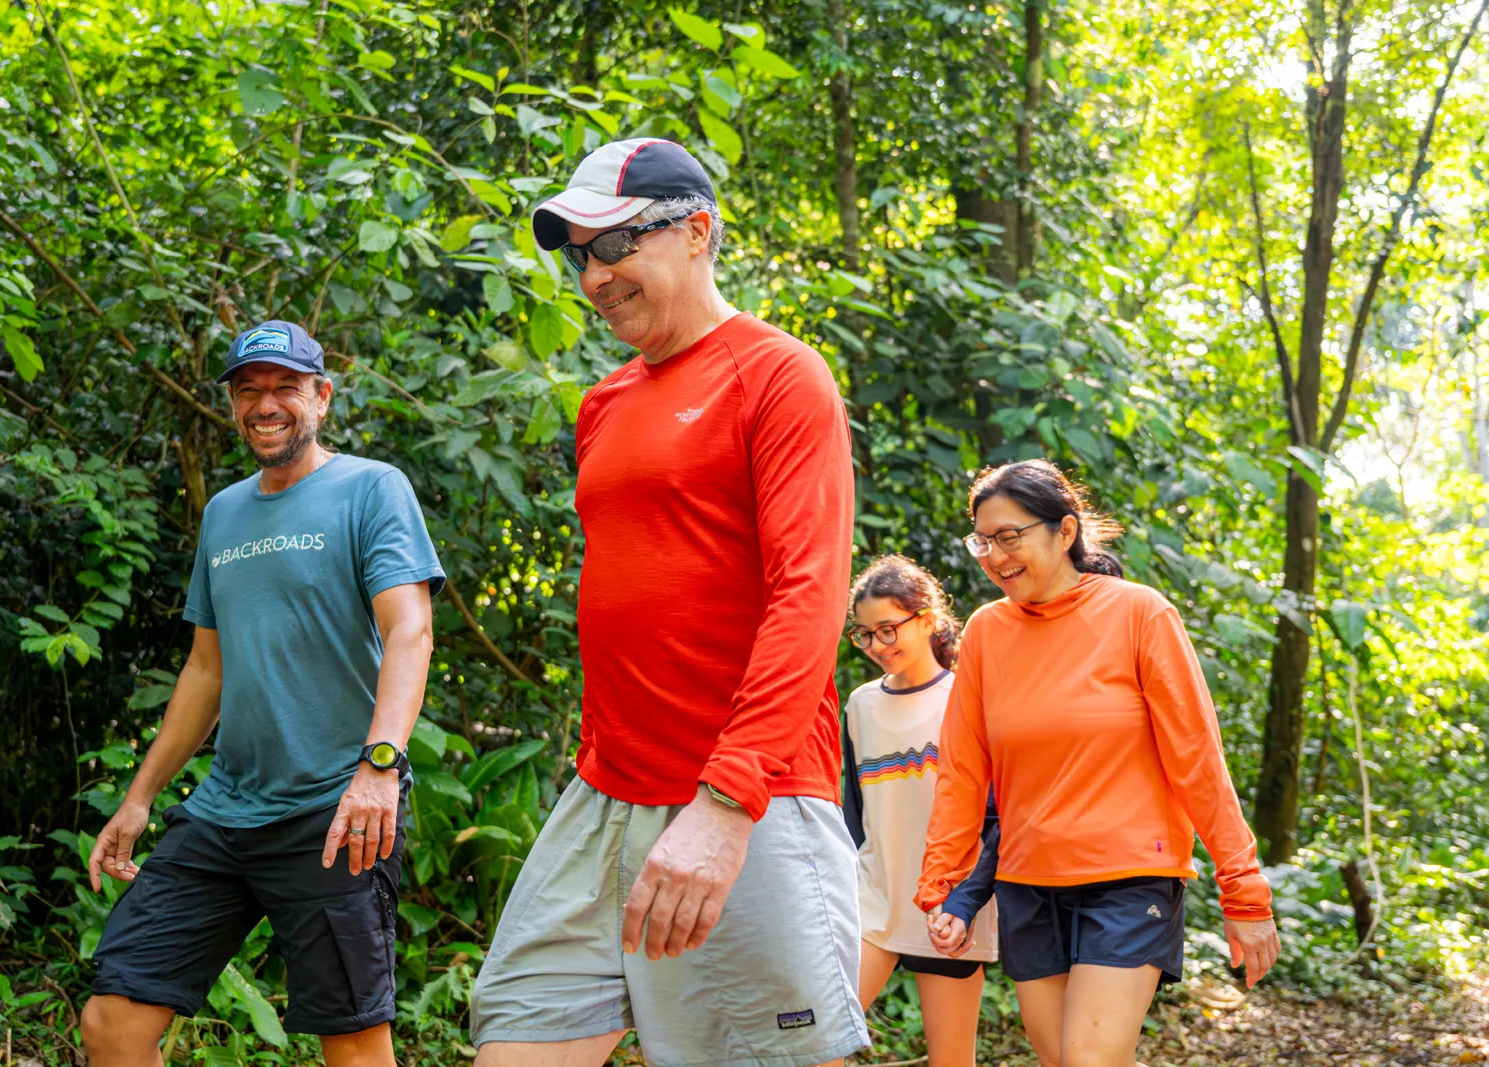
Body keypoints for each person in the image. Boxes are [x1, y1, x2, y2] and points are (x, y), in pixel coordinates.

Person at [470, 139, 868, 1067]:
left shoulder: (778, 373)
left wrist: (727, 801)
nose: (595, 276)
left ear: (698, 232)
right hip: (605, 793)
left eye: (616, 245)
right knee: (514, 1042)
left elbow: (809, 594)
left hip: (745, 795)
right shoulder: (605, 402)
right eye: (581, 256)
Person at [78, 321, 446, 1066]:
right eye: (249, 390)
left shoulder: (372, 488)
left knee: (353, 1043)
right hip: (225, 811)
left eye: (284, 387)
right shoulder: (224, 513)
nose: (265, 404)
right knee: (112, 1018)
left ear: (322, 396)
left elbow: (411, 632)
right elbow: (206, 671)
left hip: (337, 809)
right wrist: (141, 796)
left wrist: (379, 766)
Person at [919, 459, 1281, 1067]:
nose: (994, 555)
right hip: (1028, 884)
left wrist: (1244, 892)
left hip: (1129, 878)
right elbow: (963, 770)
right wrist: (942, 887)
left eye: (1011, 536)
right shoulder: (984, 633)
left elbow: (1198, 761)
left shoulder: (1140, 614)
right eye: (983, 540)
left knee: (1089, 1060)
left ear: (1064, 531)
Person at [841, 555, 999, 1067]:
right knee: (814, 1045)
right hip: (873, 900)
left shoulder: (968, 696)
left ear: (928, 618)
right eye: (864, 634)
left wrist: (968, 900)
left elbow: (995, 814)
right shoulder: (859, 705)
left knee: (951, 1060)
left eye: (888, 629)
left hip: (948, 907)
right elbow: (853, 813)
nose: (877, 646)